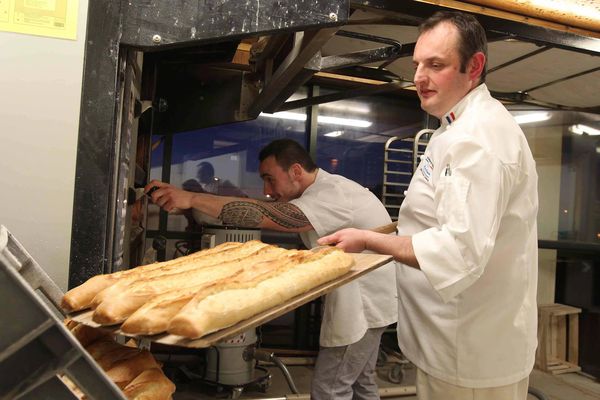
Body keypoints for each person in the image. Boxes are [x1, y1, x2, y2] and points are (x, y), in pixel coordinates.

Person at [318, 11, 538, 400]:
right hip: (450, 339)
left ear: (475, 66)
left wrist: (368, 240)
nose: (419, 76)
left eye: (436, 65)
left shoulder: (478, 140)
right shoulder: (453, 128)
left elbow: (458, 252)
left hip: (467, 351)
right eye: (417, 63)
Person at [146, 139, 398, 400]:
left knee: (330, 389)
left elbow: (275, 216)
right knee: (361, 383)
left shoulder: (332, 193)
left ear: (296, 171)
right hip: (373, 300)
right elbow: (272, 212)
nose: (267, 189)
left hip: (363, 306)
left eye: (270, 179)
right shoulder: (323, 192)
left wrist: (192, 198)